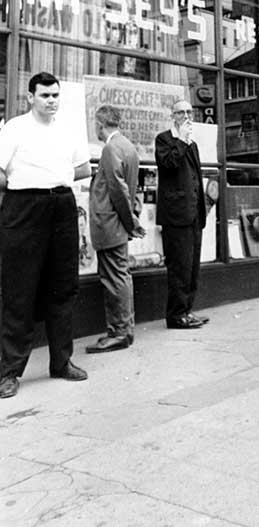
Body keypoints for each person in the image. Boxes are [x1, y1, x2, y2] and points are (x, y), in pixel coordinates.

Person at [0, 72, 91, 399]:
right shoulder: (15, 128)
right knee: (19, 289)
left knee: (62, 287)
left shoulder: (68, 129)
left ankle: (61, 362)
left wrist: (56, 178)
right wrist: (24, 184)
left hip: (62, 207)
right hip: (24, 207)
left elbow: (84, 169)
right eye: (45, 96)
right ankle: (9, 371)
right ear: (30, 97)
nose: (51, 101)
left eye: (55, 95)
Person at [86, 105, 145, 353]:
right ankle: (123, 330)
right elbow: (127, 189)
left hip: (110, 225)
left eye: (95, 125)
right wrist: (131, 221)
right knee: (120, 276)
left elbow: (118, 191)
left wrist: (131, 221)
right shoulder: (128, 147)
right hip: (118, 224)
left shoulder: (110, 148)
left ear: (100, 125)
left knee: (114, 279)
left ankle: (119, 332)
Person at [155, 99, 209, 329]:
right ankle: (176, 315)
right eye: (181, 113)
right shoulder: (165, 139)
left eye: (189, 112)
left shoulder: (191, 144)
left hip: (193, 213)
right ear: (172, 116)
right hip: (176, 215)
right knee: (179, 267)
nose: (186, 117)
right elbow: (169, 164)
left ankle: (187, 310)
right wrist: (181, 140)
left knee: (192, 266)